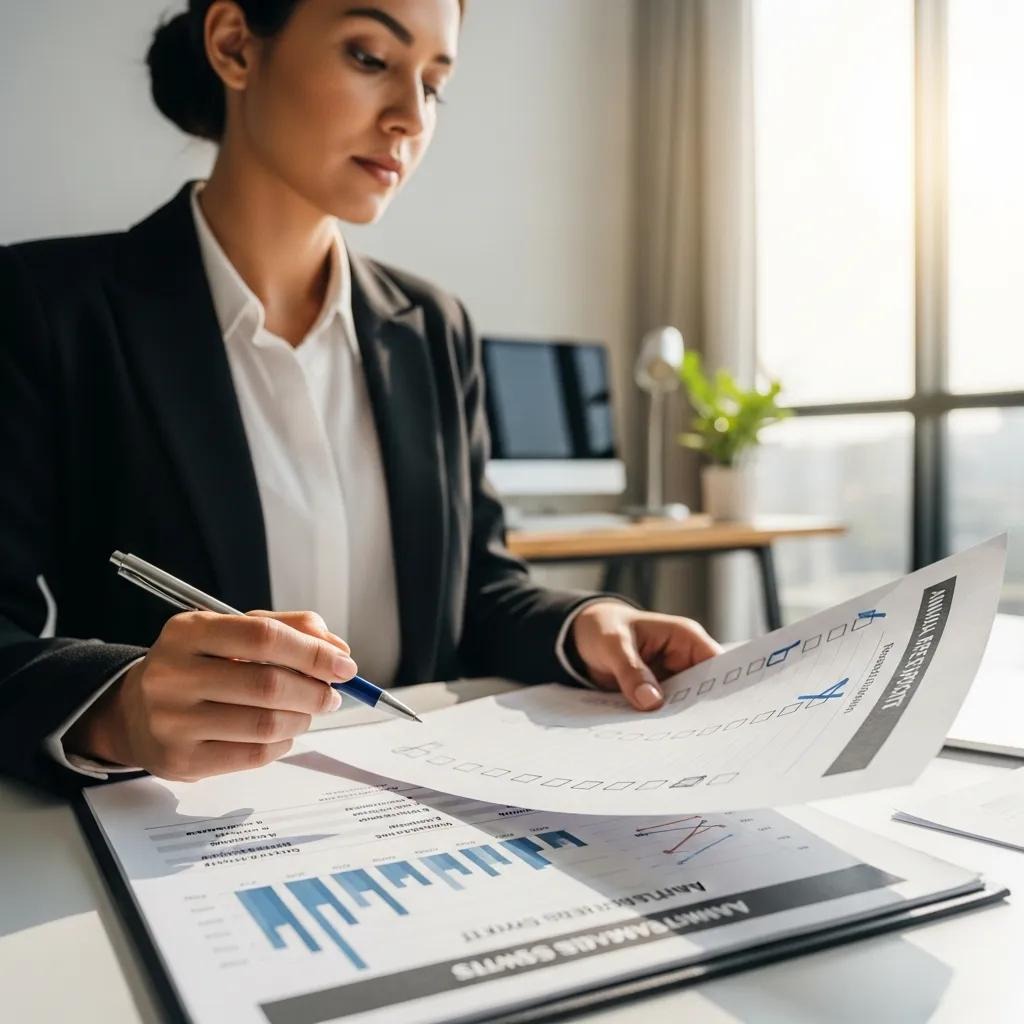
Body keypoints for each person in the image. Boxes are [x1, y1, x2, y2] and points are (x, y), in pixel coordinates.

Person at [0, 0, 720, 795]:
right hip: (167, 837)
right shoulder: (43, 310)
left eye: (435, 84)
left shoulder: (433, 327)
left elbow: (477, 594)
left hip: (414, 814)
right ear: (236, 46)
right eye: (371, 58)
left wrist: (582, 625)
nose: (410, 116)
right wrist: (116, 709)